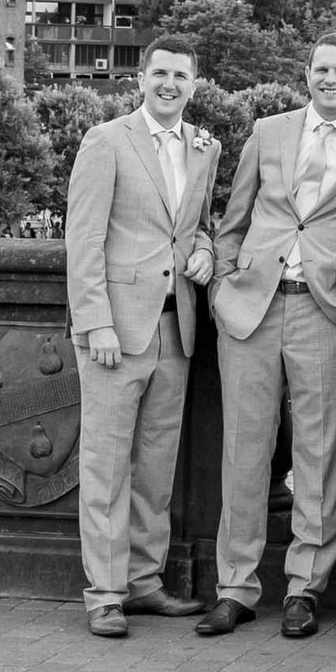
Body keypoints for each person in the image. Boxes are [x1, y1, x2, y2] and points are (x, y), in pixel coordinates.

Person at [199, 32, 336, 639]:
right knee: (244, 450)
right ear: (307, 73)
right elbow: (233, 218)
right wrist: (223, 287)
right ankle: (235, 588)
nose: (331, 79)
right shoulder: (268, 132)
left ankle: (304, 588)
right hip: (252, 307)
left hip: (326, 309)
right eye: (322, 69)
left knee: (319, 451)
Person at [64, 35, 219, 637]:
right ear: (141, 79)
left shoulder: (205, 147)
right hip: (115, 330)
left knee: (156, 468)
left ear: (194, 84)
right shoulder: (106, 141)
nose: (169, 85)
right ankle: (104, 593)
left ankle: (145, 583)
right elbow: (84, 239)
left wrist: (205, 253)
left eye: (180, 76)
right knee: (106, 465)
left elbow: (198, 227)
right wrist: (95, 321)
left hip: (176, 329)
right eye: (160, 74)